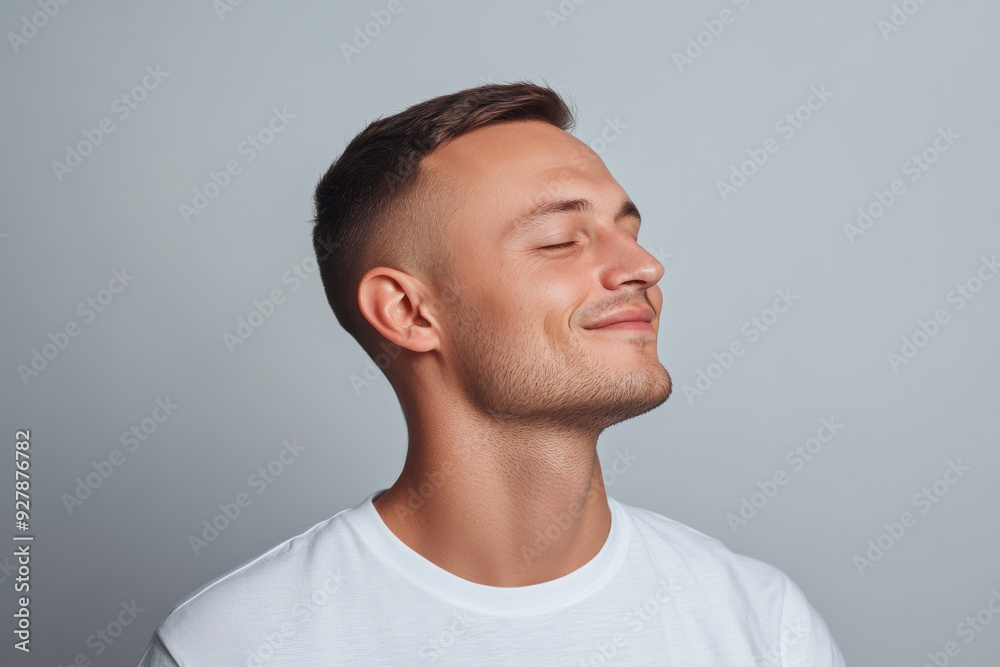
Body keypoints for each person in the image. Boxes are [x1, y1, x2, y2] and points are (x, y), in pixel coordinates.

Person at [138, 81, 846, 666]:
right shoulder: (231, 647)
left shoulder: (762, 626)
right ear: (408, 312)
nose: (644, 266)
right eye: (560, 240)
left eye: (629, 231)